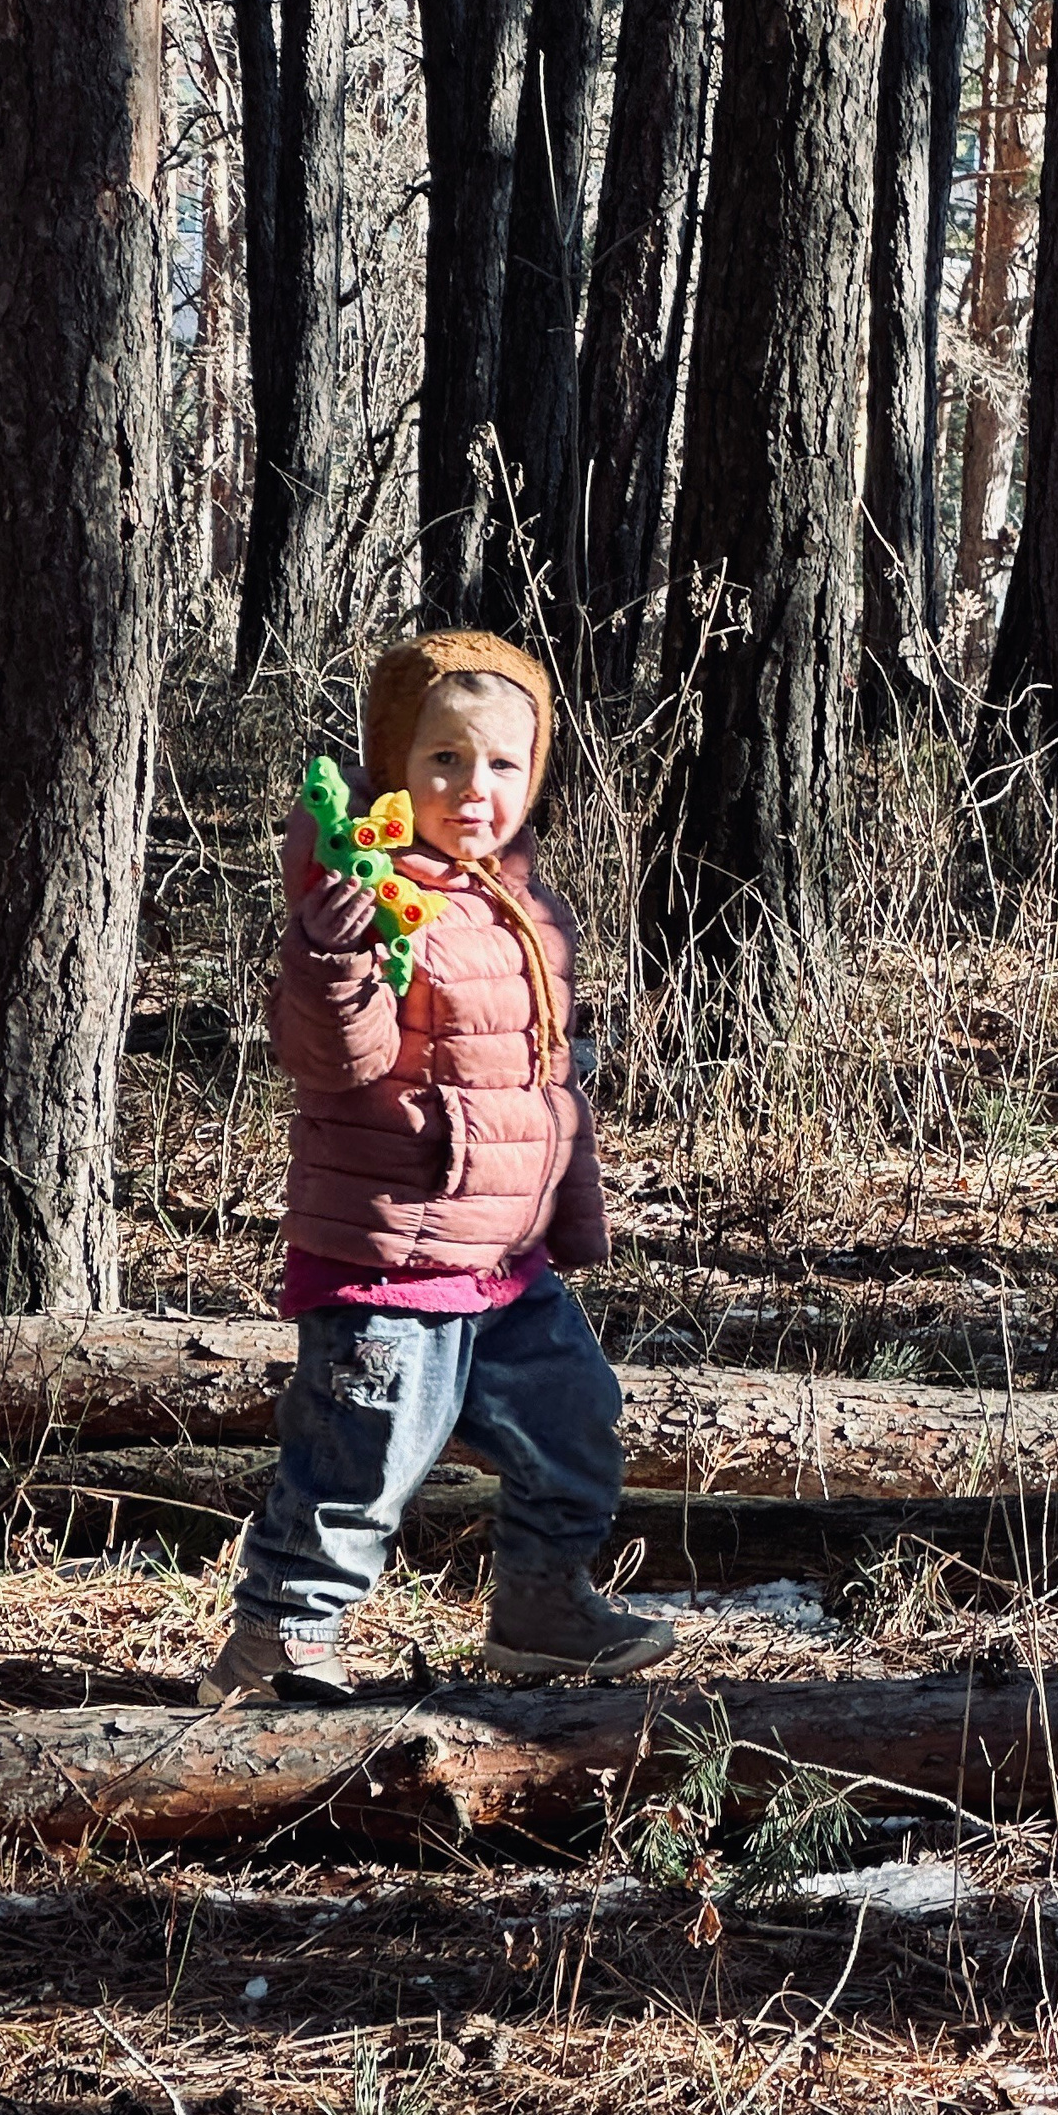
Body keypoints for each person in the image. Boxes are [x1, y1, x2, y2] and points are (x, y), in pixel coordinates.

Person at [200, 629, 675, 1703]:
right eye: (444, 761)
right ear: (393, 766)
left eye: (503, 763)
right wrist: (329, 955)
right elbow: (333, 1062)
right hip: (394, 1253)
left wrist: (569, 1209)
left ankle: (542, 1607)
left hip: (506, 1253)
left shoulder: (521, 901)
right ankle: (278, 1639)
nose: (474, 788)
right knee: (359, 1461)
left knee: (575, 1421)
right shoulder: (368, 893)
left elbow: (543, 1081)